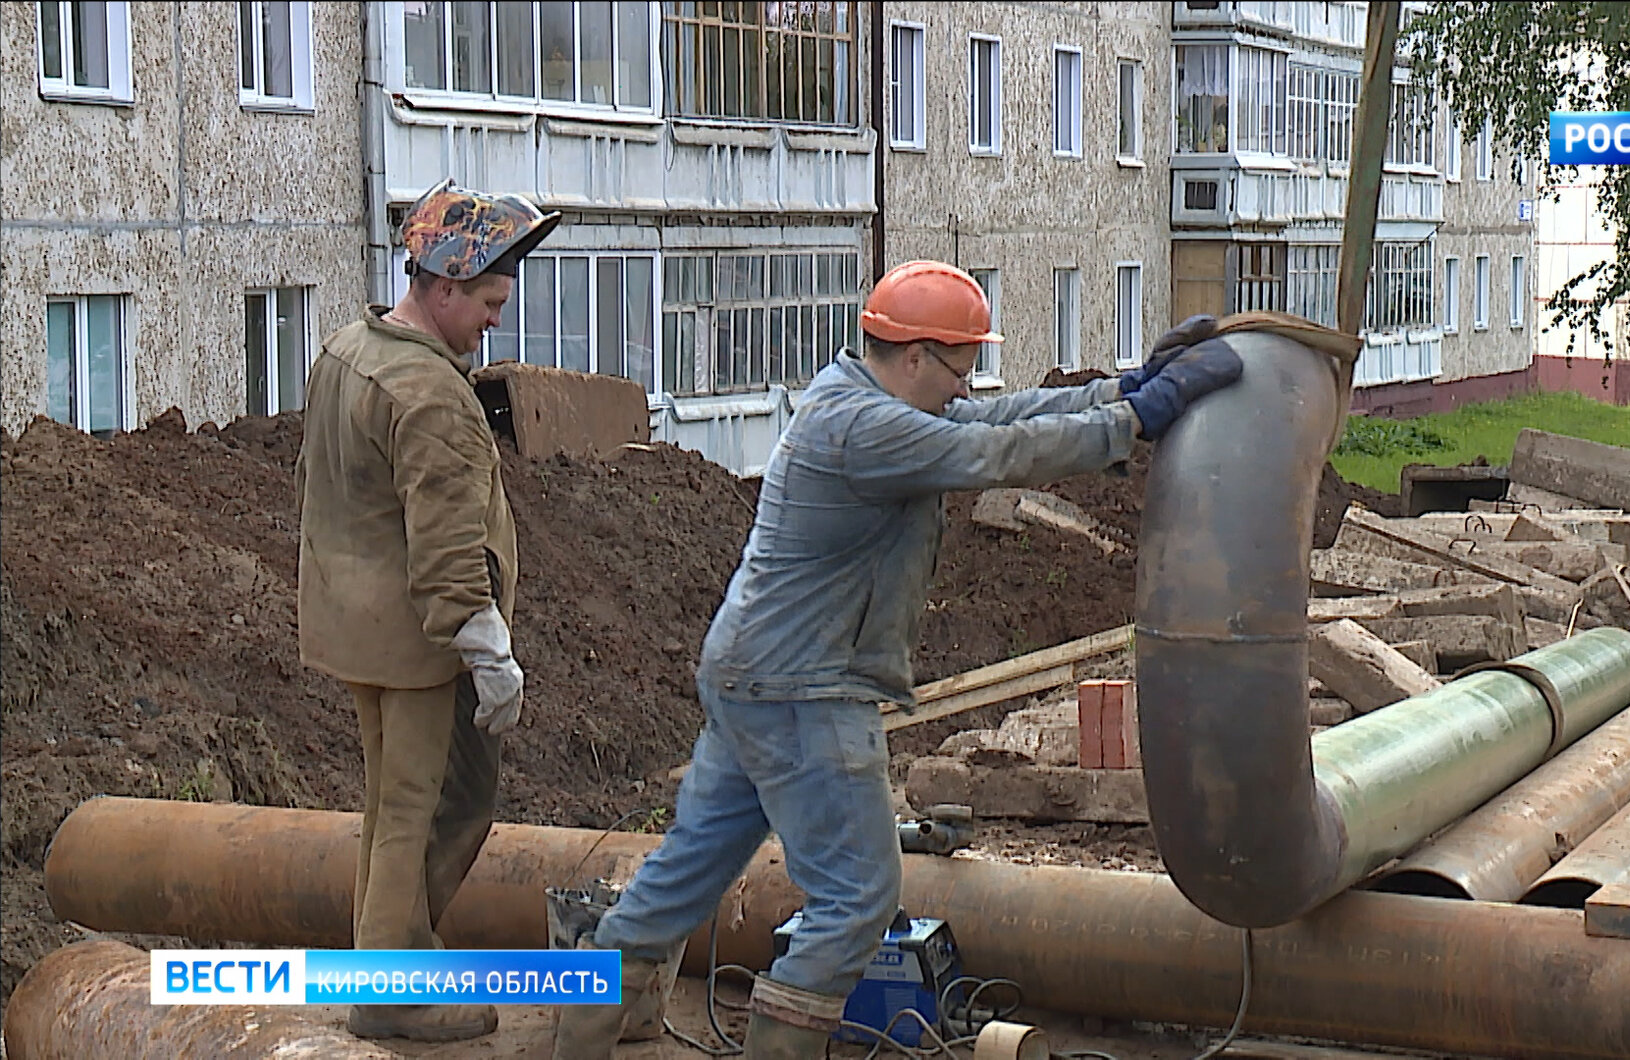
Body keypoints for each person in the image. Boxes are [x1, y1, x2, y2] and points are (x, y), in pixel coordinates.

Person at [551, 261, 1240, 1059]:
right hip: (803, 688)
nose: (964, 385)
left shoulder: (862, 401)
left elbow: (993, 421)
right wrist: (1136, 421)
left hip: (754, 673)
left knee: (678, 881)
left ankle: (581, 1036)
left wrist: (1121, 391)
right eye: (958, 367)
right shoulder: (865, 430)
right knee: (855, 898)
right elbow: (999, 454)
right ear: (913, 355)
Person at [295, 178, 560, 1043]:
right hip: (417, 640)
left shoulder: (345, 350)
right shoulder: (434, 395)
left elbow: (329, 495)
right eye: (487, 301)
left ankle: (397, 954)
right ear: (441, 286)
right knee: (425, 809)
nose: (495, 320)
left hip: (355, 627)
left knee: (388, 807)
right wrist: (487, 647)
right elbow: (447, 545)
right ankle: (393, 992)